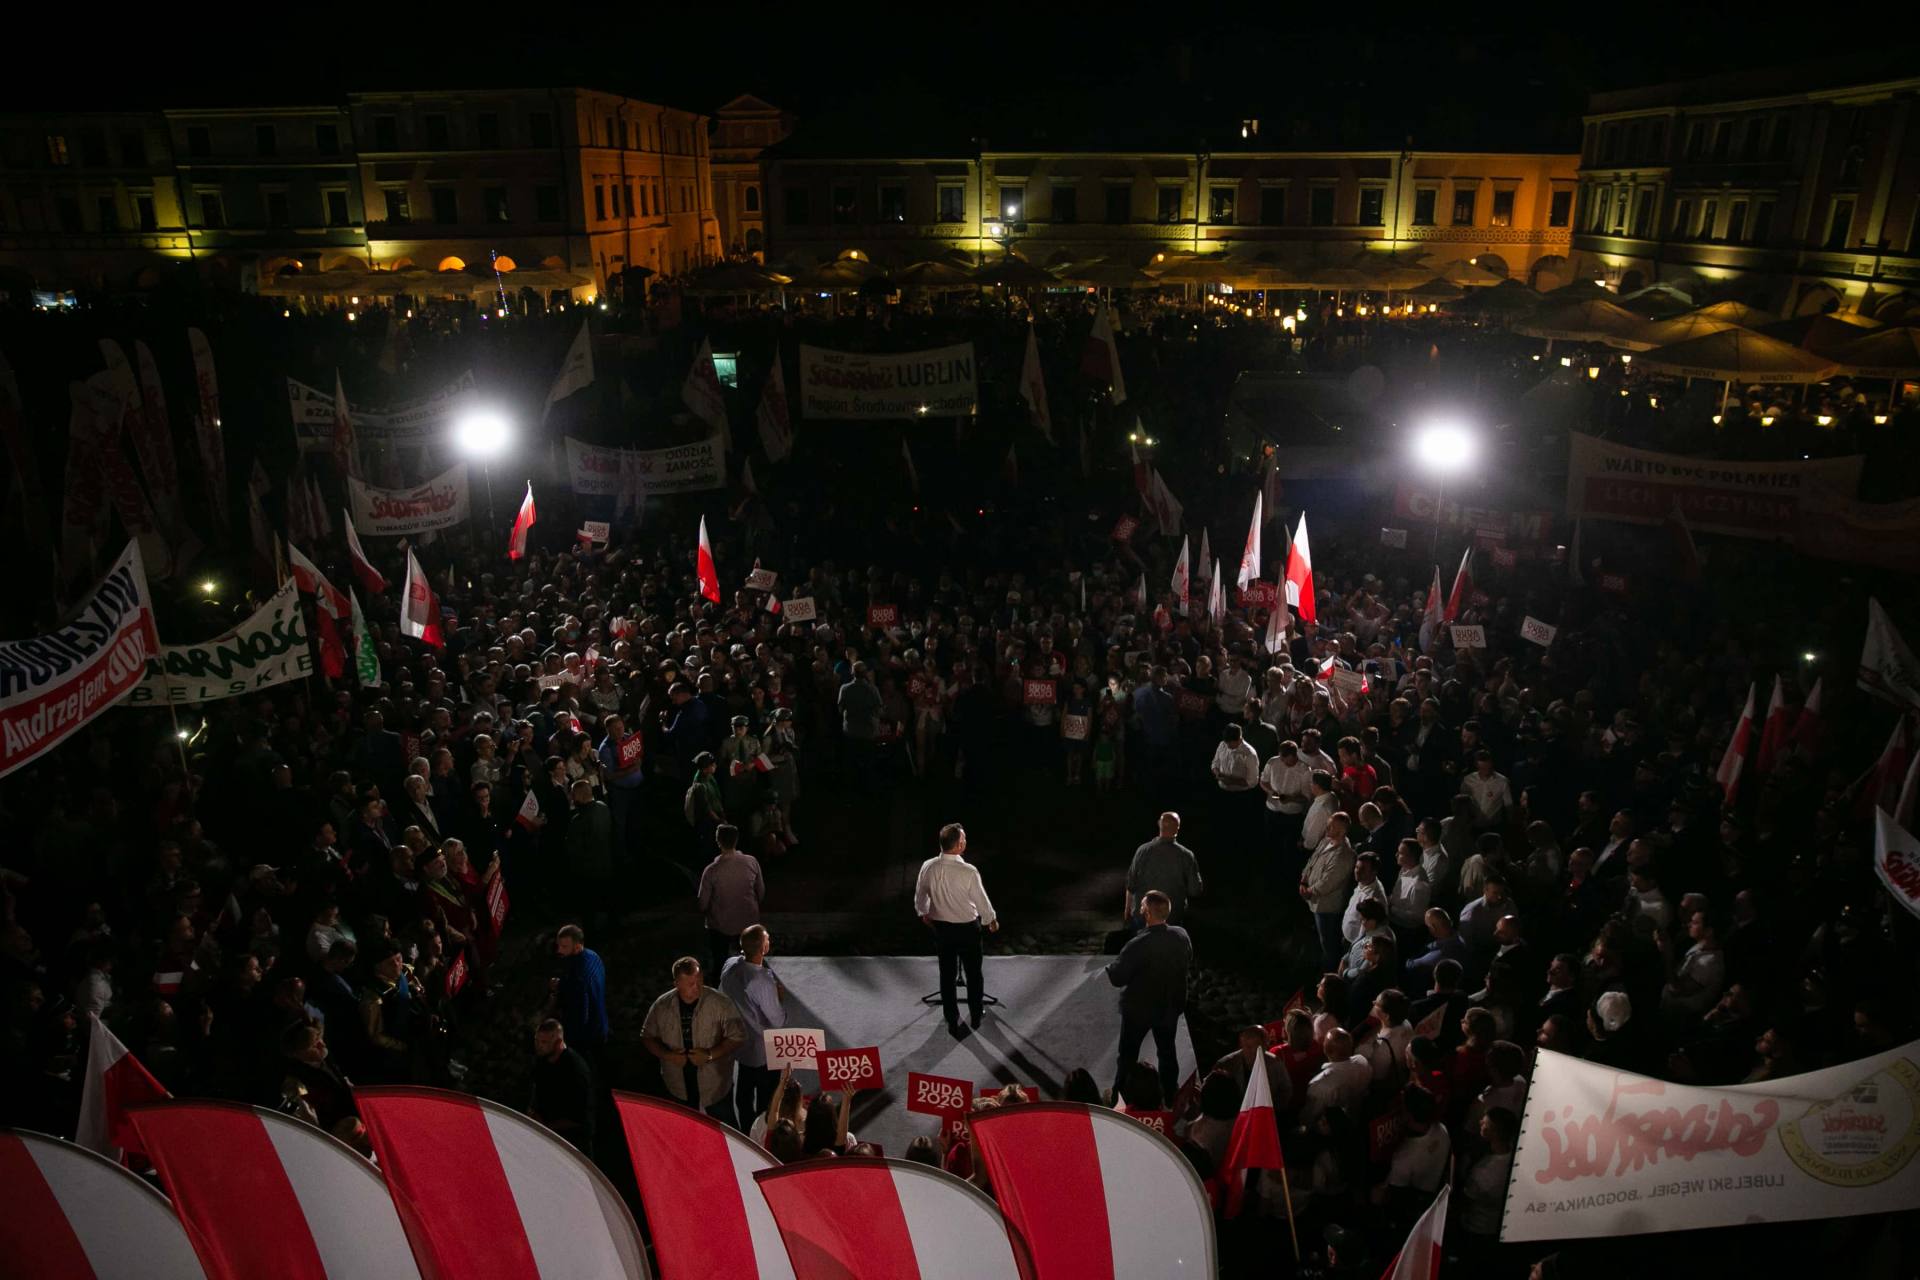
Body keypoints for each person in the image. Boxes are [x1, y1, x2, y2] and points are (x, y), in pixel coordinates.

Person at [1104, 889, 1192, 1108]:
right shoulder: (1181, 935)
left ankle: (1119, 1098)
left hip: (1139, 1010)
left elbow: (1118, 977)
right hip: (1169, 1006)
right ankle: (1170, 1096)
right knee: (1167, 1052)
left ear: (1147, 912)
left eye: (1142, 906)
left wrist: (1110, 968)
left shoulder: (1138, 944)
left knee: (1127, 1055)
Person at [914, 823, 999, 1034]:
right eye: (965, 839)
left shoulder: (928, 866)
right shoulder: (968, 871)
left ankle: (951, 1018)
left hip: (942, 928)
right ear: (959, 844)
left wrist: (923, 913)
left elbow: (920, 894)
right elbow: (982, 901)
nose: (966, 843)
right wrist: (991, 920)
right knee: (974, 974)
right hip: (968, 929)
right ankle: (976, 1014)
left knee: (946, 974)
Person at [641, 957, 746, 1125]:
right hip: (678, 1084)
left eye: (699, 980)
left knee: (725, 1128)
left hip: (714, 1084)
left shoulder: (721, 1003)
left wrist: (710, 1055)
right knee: (683, 1128)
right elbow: (647, 1036)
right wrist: (668, 1055)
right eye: (690, 984)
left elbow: (738, 1036)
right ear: (677, 984)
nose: (697, 988)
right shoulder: (662, 1006)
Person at [720, 924, 784, 1124]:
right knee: (766, 1097)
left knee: (744, 1093)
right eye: (767, 940)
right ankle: (762, 1132)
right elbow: (777, 1019)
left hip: (740, 1043)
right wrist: (779, 997)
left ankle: (747, 1128)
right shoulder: (761, 981)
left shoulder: (730, 965)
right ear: (763, 948)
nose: (769, 942)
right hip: (762, 1049)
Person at [697, 825, 765, 981]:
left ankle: (720, 974)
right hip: (748, 920)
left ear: (718, 841)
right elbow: (760, 892)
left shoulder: (711, 870)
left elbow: (702, 904)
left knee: (719, 949)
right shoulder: (751, 862)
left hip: (721, 924)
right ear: (736, 840)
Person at [1124, 812, 1203, 929]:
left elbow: (1131, 884)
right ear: (1178, 827)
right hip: (1172, 919)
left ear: (1159, 824)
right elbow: (1195, 890)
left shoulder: (1142, 850)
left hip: (1143, 917)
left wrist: (1127, 911)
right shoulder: (1186, 855)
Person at [1300, 811, 1357, 974]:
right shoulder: (1326, 841)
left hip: (1327, 907)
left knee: (1329, 943)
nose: (1327, 827)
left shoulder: (1344, 855)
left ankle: (1329, 975)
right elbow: (1312, 860)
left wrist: (1310, 891)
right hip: (1314, 900)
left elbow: (1329, 882)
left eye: (1331, 826)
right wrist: (1304, 879)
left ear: (1342, 830)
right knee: (1321, 938)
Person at [529, 1017, 595, 1155]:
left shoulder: (575, 1069)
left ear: (558, 1042)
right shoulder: (542, 1061)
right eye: (537, 1041)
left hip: (572, 1140)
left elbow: (579, 1117)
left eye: (544, 1042)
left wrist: (547, 1126)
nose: (539, 1046)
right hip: (546, 1133)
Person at [551, 925, 609, 1065]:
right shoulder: (594, 956)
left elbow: (578, 1008)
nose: (559, 950)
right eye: (559, 945)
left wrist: (557, 991)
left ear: (577, 947)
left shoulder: (576, 976)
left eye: (564, 947)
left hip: (584, 1036)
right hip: (601, 1026)